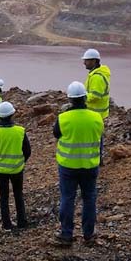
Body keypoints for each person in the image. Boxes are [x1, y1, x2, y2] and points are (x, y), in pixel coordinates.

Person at [53, 82, 104, 247]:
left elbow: (56, 134)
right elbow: (99, 137)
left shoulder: (63, 118)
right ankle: (88, 234)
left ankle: (66, 234)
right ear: (85, 98)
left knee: (67, 198)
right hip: (90, 166)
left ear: (70, 99)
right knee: (89, 198)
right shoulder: (96, 117)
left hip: (68, 166)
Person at [0, 102, 31, 231]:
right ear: (12, 115)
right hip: (17, 168)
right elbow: (27, 151)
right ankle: (22, 222)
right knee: (18, 194)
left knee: (3, 196)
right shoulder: (20, 131)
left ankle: (6, 224)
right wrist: (22, 161)